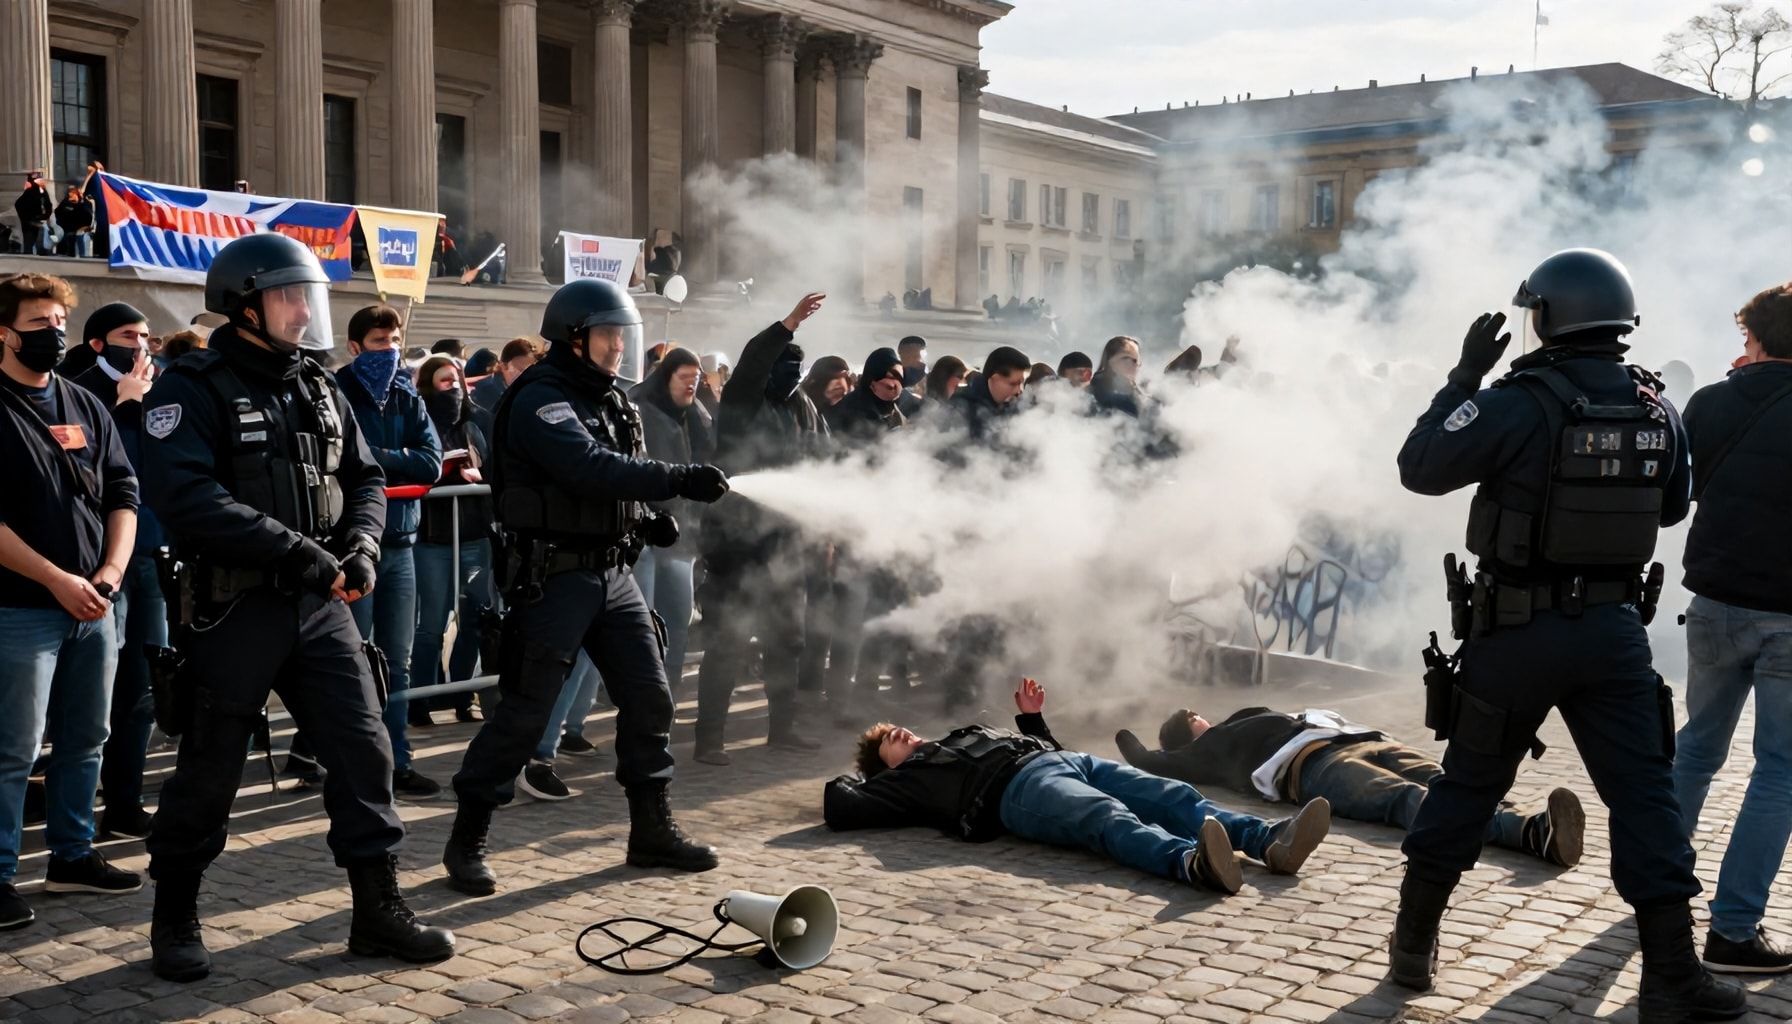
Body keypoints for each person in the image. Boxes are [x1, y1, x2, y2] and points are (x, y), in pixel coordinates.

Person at [1389, 248, 1744, 1023]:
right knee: (1645, 799)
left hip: (1516, 632)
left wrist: (1462, 380)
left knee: (1470, 786)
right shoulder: (1658, 407)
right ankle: (1672, 976)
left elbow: (1420, 466)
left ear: (1547, 317)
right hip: (1614, 634)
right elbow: (1675, 507)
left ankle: (1414, 948)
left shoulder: (1517, 399)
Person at [142, 233, 453, 980]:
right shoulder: (192, 386)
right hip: (234, 609)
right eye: (287, 295)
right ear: (244, 303)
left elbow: (367, 477)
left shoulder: (319, 383)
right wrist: (297, 551)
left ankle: (377, 908)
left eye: (304, 296)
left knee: (363, 749)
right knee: (211, 770)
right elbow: (188, 497)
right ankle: (175, 913)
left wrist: (365, 547)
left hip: (320, 607)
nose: (301, 311)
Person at [441, 277, 732, 894]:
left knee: (650, 697)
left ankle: (650, 830)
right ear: (573, 338)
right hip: (554, 577)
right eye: (608, 335)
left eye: (622, 335)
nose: (619, 347)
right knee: (524, 714)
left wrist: (646, 517)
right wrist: (677, 479)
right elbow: (586, 465)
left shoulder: (611, 398)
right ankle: (467, 839)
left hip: (612, 572)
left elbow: (613, 476)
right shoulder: (543, 397)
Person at [825, 679, 1333, 894]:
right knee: (1107, 820)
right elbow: (839, 803)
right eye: (887, 741)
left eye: (897, 728)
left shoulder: (960, 736)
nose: (898, 732)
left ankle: (1269, 842)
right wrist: (871, 779)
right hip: (1020, 794)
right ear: (884, 769)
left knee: (1175, 797)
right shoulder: (904, 784)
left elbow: (1046, 746)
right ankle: (1192, 864)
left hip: (1066, 760)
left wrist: (1031, 721)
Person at [0, 273, 143, 932]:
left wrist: (109, 575)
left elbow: (123, 492)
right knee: (13, 748)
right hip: (21, 607)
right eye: (38, 326)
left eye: (59, 323)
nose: (53, 336)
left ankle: (72, 855)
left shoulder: (86, 403)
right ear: (4, 332)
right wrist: (58, 579)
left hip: (97, 605)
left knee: (87, 738)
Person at [1670, 281, 1792, 974]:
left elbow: (1675, 497)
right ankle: (1734, 932)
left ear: (1755, 337)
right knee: (1780, 771)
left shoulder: (1712, 401)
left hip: (1715, 603)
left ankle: (1658, 900)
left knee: (1696, 751)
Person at [1117, 708, 1583, 866]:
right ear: (1188, 731)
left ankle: (1525, 823)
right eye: (1190, 716)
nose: (1199, 714)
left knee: (1449, 781)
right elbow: (1146, 760)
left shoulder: (1241, 721)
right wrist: (1123, 732)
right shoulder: (1205, 752)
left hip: (1355, 739)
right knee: (1409, 801)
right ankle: (1529, 834)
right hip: (1314, 764)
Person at [693, 293, 829, 765]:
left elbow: (820, 458)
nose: (791, 372)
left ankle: (782, 729)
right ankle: (709, 739)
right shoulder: (742, 403)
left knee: (786, 639)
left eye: (798, 365)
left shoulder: (801, 408)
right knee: (727, 642)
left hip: (784, 545)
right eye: (784, 363)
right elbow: (752, 364)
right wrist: (787, 323)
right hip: (737, 545)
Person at [328, 305, 444, 799]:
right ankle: (344, 760)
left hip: (402, 546)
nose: (390, 350)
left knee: (397, 659)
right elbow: (339, 460)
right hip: (354, 547)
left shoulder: (406, 392)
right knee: (350, 663)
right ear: (355, 347)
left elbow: (431, 462)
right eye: (379, 341)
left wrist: (378, 459)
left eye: (394, 340)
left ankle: (398, 760)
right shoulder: (334, 390)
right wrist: (389, 464)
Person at [69, 303, 163, 840]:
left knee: (143, 686)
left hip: (151, 556)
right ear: (100, 343)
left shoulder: (165, 387)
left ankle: (124, 801)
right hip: (94, 566)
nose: (141, 344)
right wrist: (117, 402)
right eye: (130, 335)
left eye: (147, 334)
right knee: (90, 696)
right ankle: (72, 815)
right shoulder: (74, 390)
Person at [407, 355, 494, 730]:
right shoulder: (418, 423)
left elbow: (493, 465)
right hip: (434, 538)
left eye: (457, 379)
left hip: (474, 533)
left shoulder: (475, 423)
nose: (454, 386)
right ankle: (420, 698)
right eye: (445, 381)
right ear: (429, 385)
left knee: (474, 617)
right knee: (431, 624)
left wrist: (480, 473)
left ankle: (463, 694)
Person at [630, 346, 715, 704]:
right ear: (667, 378)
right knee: (642, 623)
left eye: (696, 380)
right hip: (648, 533)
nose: (691, 386)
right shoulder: (643, 410)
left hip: (683, 536)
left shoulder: (696, 415)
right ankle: (639, 694)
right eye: (685, 379)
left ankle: (669, 690)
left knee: (678, 618)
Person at [947, 345, 1030, 443]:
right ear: (994, 378)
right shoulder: (960, 409)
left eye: (1021, 384)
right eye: (1013, 384)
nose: (1019, 390)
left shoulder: (1012, 409)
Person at [824, 348, 908, 443]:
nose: (896, 385)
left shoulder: (889, 405)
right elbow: (865, 446)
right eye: (891, 377)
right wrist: (897, 431)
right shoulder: (855, 406)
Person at [1089, 336, 1147, 418]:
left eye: (1135, 360)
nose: (1131, 364)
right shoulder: (1093, 394)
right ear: (1109, 361)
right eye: (1125, 358)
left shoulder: (1140, 395)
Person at [13, 172, 54, 256]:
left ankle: (36, 255)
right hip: (30, 222)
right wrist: (27, 218)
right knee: (29, 241)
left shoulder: (42, 191)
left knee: (37, 241)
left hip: (37, 221)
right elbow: (19, 205)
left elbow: (48, 205)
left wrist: (45, 215)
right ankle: (30, 256)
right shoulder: (30, 192)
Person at [53, 186, 94, 259]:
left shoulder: (85, 203)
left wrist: (78, 203)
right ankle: (64, 254)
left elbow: (87, 215)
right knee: (66, 242)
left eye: (72, 193)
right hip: (67, 228)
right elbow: (58, 212)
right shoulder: (66, 202)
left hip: (79, 228)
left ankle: (81, 256)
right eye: (70, 193)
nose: (70, 195)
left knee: (79, 241)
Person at [896, 335, 927, 417]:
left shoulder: (928, 380)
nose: (910, 358)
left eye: (915, 355)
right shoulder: (892, 378)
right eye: (906, 354)